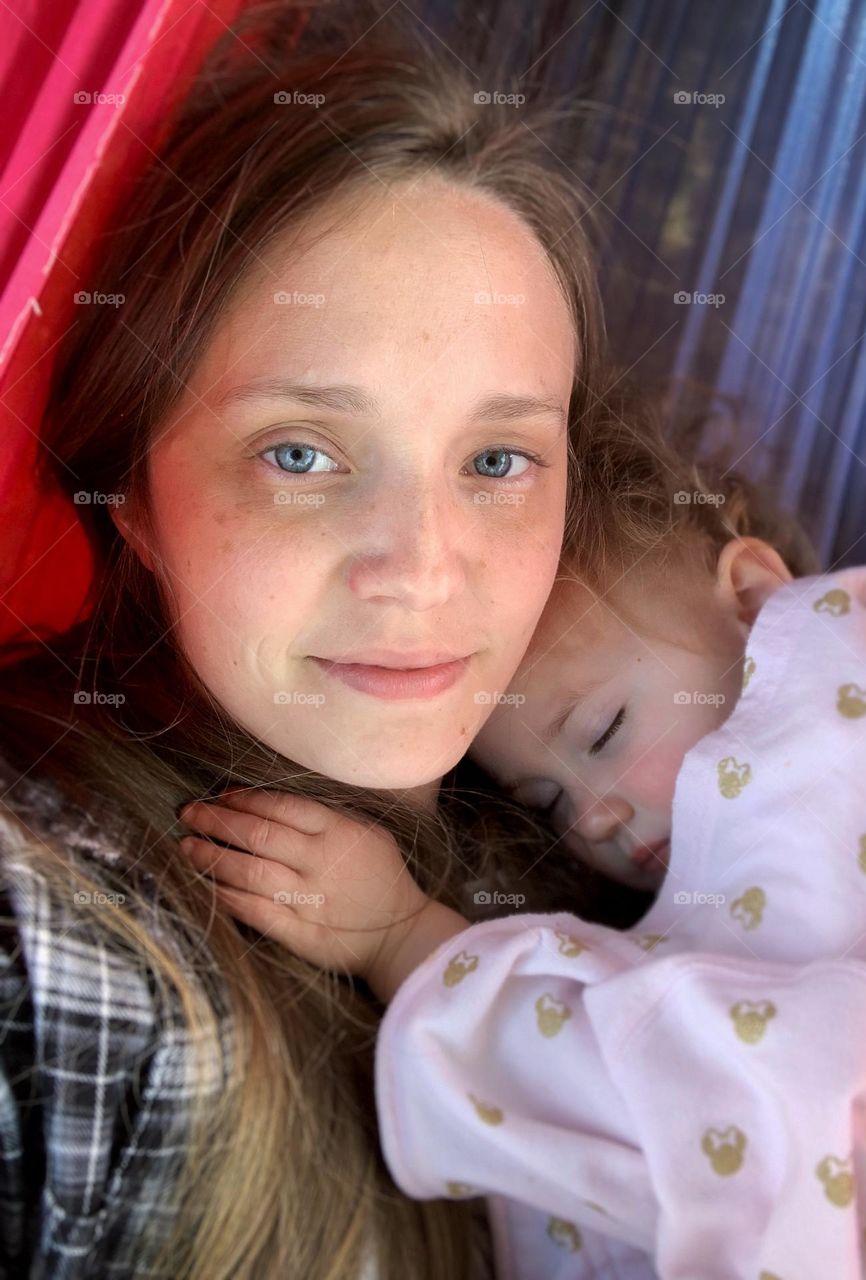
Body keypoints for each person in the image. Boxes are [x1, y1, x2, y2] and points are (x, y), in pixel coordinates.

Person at [0, 2, 631, 1276]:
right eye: (300, 453)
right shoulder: (59, 945)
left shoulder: (632, 843)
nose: (423, 569)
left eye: (497, 460)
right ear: (134, 498)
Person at [185, 404, 866, 1277]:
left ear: (752, 596)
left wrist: (401, 937)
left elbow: (683, 1092)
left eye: (604, 732)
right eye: (547, 801)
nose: (592, 818)